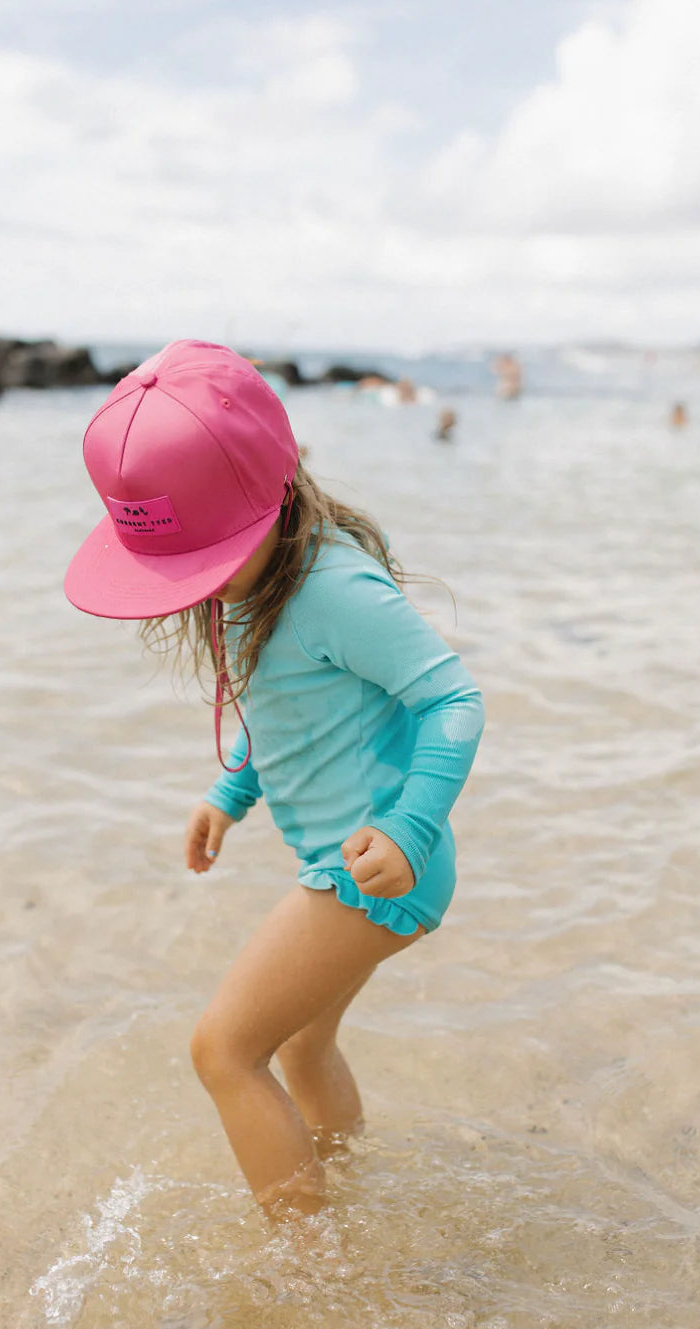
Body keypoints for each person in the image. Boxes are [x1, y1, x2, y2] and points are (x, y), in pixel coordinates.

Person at [64, 340, 485, 1220]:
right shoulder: (255, 587)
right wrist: (230, 794)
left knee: (222, 1051)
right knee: (299, 1050)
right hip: (350, 857)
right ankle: (348, 1203)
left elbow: (452, 697)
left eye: (205, 561)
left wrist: (409, 828)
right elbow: (291, 712)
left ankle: (308, 1264)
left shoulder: (332, 588)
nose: (199, 587)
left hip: (375, 863)